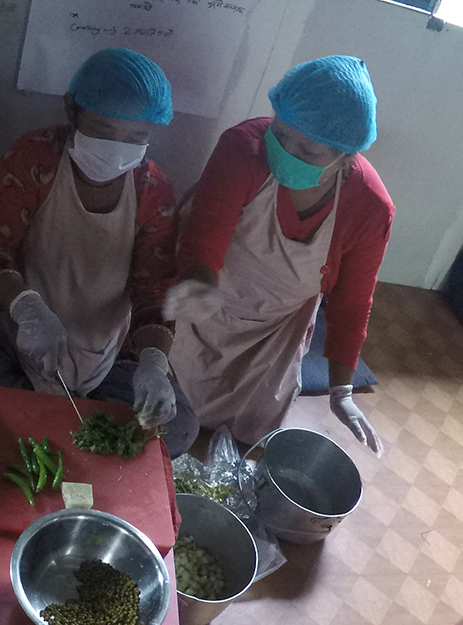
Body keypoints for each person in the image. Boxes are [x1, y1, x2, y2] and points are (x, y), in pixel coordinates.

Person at [0, 48, 198, 456]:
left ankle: (54, 417)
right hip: (19, 337)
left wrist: (152, 364)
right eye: (103, 130)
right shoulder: (35, 158)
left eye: (136, 137)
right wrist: (26, 308)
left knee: (177, 427)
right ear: (72, 111)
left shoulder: (151, 188)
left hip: (105, 353)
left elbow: (154, 287)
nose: (117, 148)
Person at [165, 55, 392, 453]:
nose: (287, 152)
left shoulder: (369, 208)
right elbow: (207, 232)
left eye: (308, 150)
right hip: (210, 293)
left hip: (276, 329)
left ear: (347, 156)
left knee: (247, 431)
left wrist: (341, 388)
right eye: (282, 135)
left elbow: (353, 303)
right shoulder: (243, 148)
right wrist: (197, 281)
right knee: (172, 406)